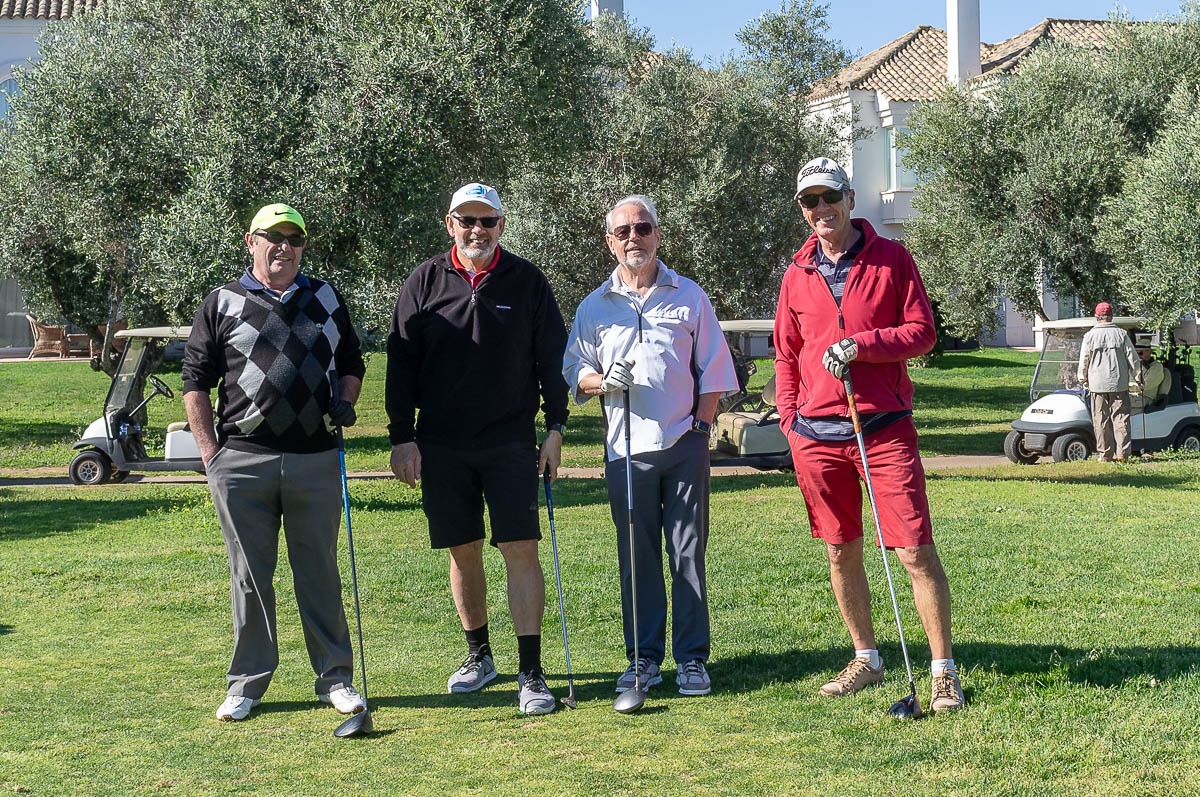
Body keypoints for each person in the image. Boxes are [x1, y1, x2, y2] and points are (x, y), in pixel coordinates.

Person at [773, 158, 964, 713]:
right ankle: (867, 658)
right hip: (816, 434)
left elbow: (922, 332)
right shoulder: (796, 273)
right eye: (810, 201)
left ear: (850, 199)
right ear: (803, 210)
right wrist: (790, 422)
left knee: (914, 550)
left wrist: (862, 345)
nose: (821, 209)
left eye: (829, 197)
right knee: (840, 550)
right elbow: (785, 354)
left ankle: (942, 671)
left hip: (882, 428)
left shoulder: (893, 258)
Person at [386, 183, 569, 715]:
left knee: (521, 549)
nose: (477, 230)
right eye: (467, 220)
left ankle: (531, 672)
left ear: (501, 226)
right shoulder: (423, 281)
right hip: (441, 443)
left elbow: (551, 358)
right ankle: (479, 655)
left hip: (510, 441)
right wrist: (401, 436)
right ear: (451, 225)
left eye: (487, 221)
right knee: (462, 550)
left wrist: (556, 428)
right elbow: (401, 364)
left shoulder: (527, 280)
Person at [183, 203, 366, 723]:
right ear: (252, 242)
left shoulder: (325, 297)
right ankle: (247, 684)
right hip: (242, 461)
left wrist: (346, 399)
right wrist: (210, 456)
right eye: (273, 237)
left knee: (319, 573)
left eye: (294, 238)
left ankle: (336, 680)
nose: (284, 246)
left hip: (315, 459)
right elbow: (195, 381)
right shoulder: (222, 301)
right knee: (249, 577)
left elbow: (351, 362)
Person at [563, 194, 738, 697]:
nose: (634, 238)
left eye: (643, 228)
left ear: (658, 235)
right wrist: (601, 382)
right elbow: (574, 369)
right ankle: (643, 659)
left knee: (687, 554)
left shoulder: (689, 295)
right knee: (636, 558)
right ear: (609, 242)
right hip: (625, 451)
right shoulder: (594, 306)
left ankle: (692, 660)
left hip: (684, 443)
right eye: (623, 231)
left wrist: (702, 430)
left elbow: (714, 371)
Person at [1078, 302, 1139, 462]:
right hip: (1119, 384)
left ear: (1096, 317)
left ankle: (1105, 455)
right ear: (1111, 316)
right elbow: (1133, 359)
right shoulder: (1121, 334)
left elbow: (1084, 360)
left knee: (1100, 420)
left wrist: (1082, 379)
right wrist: (1139, 379)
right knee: (1121, 419)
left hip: (1097, 385)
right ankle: (1122, 455)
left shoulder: (1089, 336)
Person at [1130, 336, 1166, 412]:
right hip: (1132, 395)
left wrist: (1126, 387)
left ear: (1149, 352)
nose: (1138, 356)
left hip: (1146, 398)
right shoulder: (1133, 365)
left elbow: (1144, 386)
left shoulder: (1157, 367)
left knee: (1121, 401)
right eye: (1136, 353)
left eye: (1140, 353)